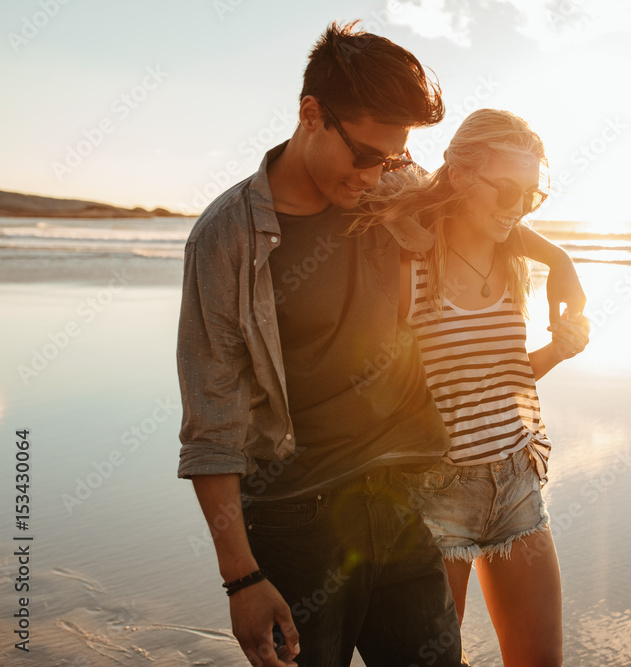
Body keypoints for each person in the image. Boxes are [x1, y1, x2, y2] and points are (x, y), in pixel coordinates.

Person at [175, 22, 585, 667]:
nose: (379, 173)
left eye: (393, 158)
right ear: (311, 114)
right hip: (297, 514)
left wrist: (557, 258)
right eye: (366, 154)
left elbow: (475, 206)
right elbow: (212, 423)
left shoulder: (390, 184)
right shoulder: (228, 240)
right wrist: (243, 579)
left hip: (402, 496)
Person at [354, 109, 589, 666]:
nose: (517, 210)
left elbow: (503, 379)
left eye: (532, 197)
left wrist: (557, 347)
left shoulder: (512, 258)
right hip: (434, 493)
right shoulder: (408, 259)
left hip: (516, 481)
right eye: (506, 192)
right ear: (459, 175)